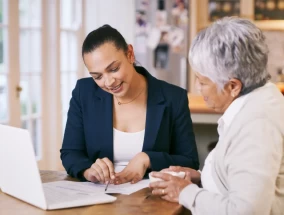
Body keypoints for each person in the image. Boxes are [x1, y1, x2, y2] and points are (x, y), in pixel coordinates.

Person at [149, 17, 284, 214]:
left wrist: (186, 192)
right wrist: (201, 177)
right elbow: (239, 178)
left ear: (233, 86)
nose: (197, 88)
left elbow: (246, 211)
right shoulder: (260, 98)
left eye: (202, 82)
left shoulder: (256, 126)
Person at [60, 25, 199, 185]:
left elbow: (190, 162)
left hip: (152, 198)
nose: (109, 82)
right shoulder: (83, 93)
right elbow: (70, 153)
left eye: (114, 69)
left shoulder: (173, 97)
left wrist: (147, 158)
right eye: (97, 77)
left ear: (130, 54)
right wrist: (88, 171)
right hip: (100, 197)